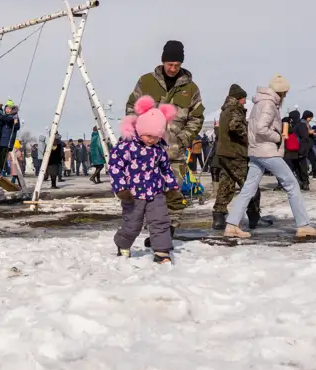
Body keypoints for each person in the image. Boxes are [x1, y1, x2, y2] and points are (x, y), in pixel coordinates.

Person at [223, 75, 316, 238]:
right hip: (266, 151)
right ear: (280, 92)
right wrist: (278, 137)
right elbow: (261, 128)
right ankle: (303, 225)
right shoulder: (268, 104)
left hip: (256, 151)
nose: (286, 96)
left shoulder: (260, 102)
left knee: (248, 188)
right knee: (291, 184)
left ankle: (232, 224)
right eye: (285, 93)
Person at [125, 40, 204, 212]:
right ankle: (157, 234)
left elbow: (196, 117)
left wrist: (182, 139)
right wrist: (139, 137)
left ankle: (167, 233)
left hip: (175, 154)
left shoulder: (191, 88)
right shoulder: (146, 82)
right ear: (163, 61)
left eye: (177, 65)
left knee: (174, 200)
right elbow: (132, 109)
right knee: (148, 199)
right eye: (170, 64)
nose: (173, 69)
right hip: (147, 153)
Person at [110, 95, 179, 265]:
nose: (152, 140)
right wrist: (121, 188)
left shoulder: (159, 149)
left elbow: (165, 169)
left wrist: (171, 187)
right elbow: (115, 167)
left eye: (156, 136)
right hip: (133, 194)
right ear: (140, 129)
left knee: (160, 221)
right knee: (132, 224)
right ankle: (122, 243)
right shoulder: (126, 147)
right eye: (148, 135)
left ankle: (162, 252)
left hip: (155, 192)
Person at [211, 84, 262, 231]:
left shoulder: (225, 111)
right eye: (244, 99)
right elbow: (235, 126)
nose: (245, 102)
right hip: (236, 153)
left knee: (226, 185)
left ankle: (218, 217)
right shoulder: (234, 109)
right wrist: (249, 137)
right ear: (238, 98)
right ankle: (253, 215)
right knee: (249, 185)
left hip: (224, 153)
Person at [0, 101, 20, 174]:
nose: (7, 110)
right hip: (1, 139)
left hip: (8, 140)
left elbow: (17, 127)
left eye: (9, 108)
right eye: (6, 108)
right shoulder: (4, 116)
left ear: (12, 109)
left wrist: (15, 123)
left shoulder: (14, 116)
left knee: (3, 155)